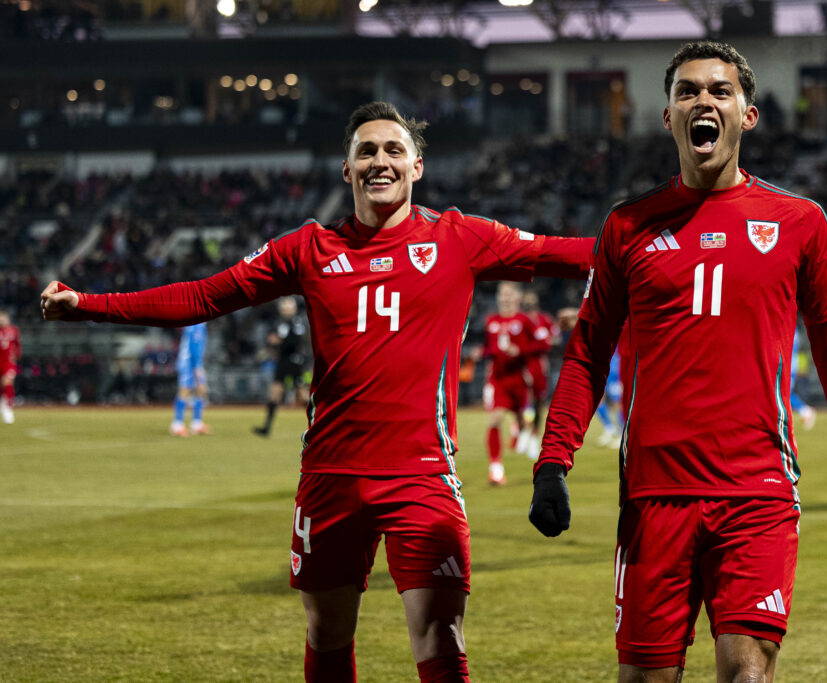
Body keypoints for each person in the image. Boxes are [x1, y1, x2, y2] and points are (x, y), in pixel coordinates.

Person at [40, 101, 593, 683]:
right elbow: (205, 297)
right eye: (367, 152)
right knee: (327, 634)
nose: (381, 161)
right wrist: (90, 306)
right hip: (330, 476)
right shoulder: (308, 248)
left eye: (394, 150)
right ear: (347, 170)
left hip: (422, 475)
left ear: (417, 166)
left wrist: (674, 240)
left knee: (440, 635)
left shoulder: (459, 237)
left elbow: (570, 254)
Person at [528, 41, 827, 683]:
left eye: (720, 91)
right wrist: (552, 461)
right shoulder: (627, 227)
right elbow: (588, 352)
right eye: (688, 92)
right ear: (669, 117)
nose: (704, 100)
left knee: (748, 670)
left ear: (747, 115)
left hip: (756, 489)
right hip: (654, 494)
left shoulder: (799, 223)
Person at [481, 282, 545, 484]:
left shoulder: (525, 320)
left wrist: (520, 351)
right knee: (494, 419)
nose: (505, 298)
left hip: (519, 378)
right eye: (502, 294)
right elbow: (488, 348)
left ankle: (525, 431)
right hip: (498, 379)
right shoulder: (491, 321)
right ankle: (496, 469)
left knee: (525, 417)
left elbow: (542, 344)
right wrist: (481, 354)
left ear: (517, 297)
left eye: (509, 294)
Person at [253, 296, 311, 437]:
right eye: (283, 307)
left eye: (287, 307)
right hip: (283, 360)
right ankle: (266, 427)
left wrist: (280, 341)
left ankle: (317, 424)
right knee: (275, 393)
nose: (284, 309)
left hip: (294, 360)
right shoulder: (281, 322)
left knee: (302, 395)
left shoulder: (296, 321)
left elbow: (295, 340)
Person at [520, 288, 560, 458]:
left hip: (540, 365)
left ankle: (532, 433)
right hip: (525, 363)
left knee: (538, 401)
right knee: (526, 400)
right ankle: (525, 431)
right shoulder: (520, 320)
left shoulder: (545, 319)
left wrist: (549, 341)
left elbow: (556, 337)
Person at [171, 322, 211, 436]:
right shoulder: (196, 324)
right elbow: (193, 346)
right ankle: (177, 424)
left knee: (200, 390)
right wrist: (197, 366)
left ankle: (197, 423)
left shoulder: (200, 324)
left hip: (194, 361)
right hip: (188, 361)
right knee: (185, 390)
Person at [790, 327, 816, 430]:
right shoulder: (793, 327)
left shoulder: (789, 327)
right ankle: (805, 411)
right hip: (790, 364)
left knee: (784, 393)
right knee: (784, 393)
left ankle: (805, 411)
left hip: (788, 365)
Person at [0, 309, 21, 424]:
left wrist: (17, 356)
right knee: (2, 386)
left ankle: (8, 408)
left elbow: (17, 345)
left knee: (7, 383)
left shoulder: (13, 330)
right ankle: (3, 404)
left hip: (8, 362)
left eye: (4, 319)